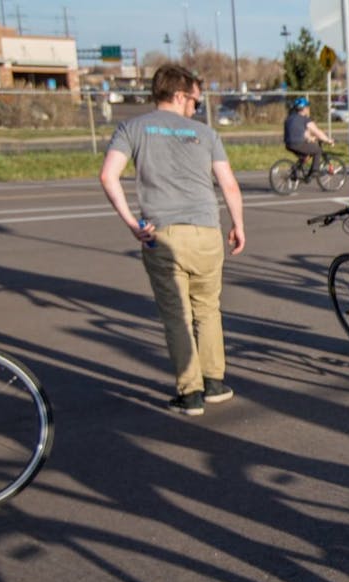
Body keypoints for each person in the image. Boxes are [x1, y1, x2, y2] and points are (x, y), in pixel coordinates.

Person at [99, 64, 246, 417]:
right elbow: (228, 184)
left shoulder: (132, 128)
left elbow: (108, 176)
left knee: (177, 316)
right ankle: (214, 382)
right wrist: (238, 224)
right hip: (207, 232)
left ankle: (190, 392)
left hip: (163, 235)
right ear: (179, 95)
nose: (196, 108)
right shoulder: (206, 134)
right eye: (195, 100)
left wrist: (132, 223)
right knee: (208, 310)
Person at [283, 96, 334, 179]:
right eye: (307, 107)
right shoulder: (304, 119)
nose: (308, 109)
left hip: (288, 144)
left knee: (305, 155)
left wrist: (310, 138)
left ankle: (295, 171)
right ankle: (315, 171)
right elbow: (317, 132)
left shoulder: (290, 118)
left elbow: (300, 132)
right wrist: (328, 140)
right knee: (317, 150)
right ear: (304, 109)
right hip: (298, 143)